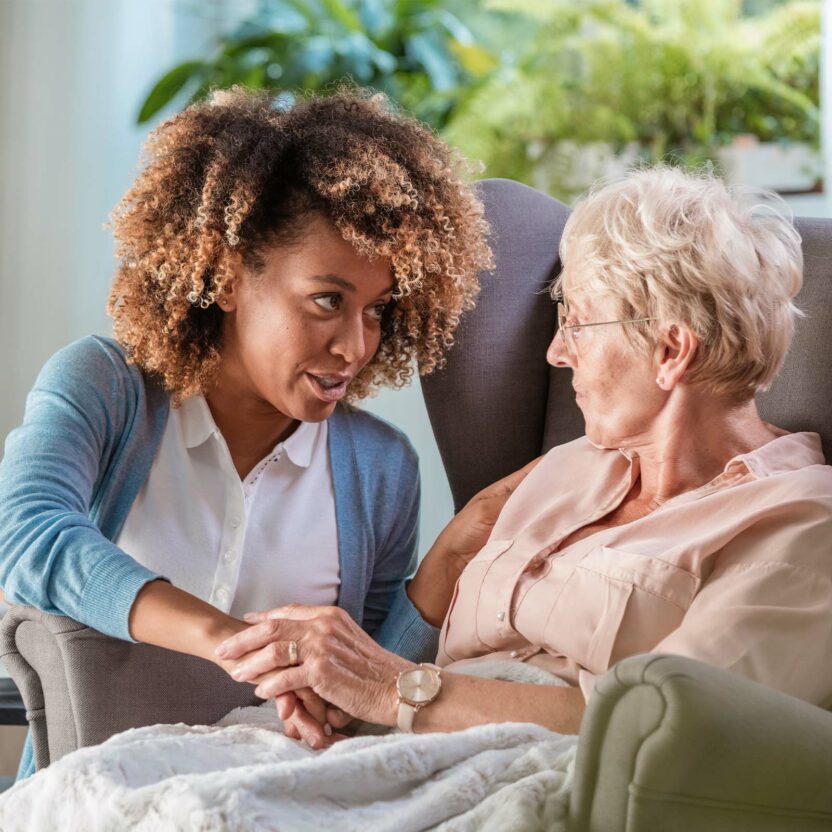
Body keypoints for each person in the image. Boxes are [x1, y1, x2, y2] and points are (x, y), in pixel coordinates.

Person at [216, 165, 832, 738]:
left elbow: (667, 727)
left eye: (579, 324)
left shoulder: (801, 523)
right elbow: (405, 672)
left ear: (671, 352)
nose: (556, 353)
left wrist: (392, 688)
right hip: (405, 750)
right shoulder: (565, 468)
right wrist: (335, 686)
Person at [0, 86, 492, 777]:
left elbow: (365, 687)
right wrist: (238, 643)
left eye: (378, 311)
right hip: (91, 799)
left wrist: (445, 566)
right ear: (229, 277)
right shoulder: (104, 388)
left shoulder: (381, 467)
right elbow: (28, 536)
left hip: (284, 801)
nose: (355, 346)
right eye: (328, 301)